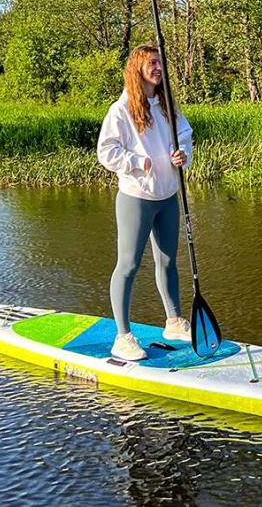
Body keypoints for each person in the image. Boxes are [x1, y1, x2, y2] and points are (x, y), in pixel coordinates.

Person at [96, 43, 193, 361]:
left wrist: (183, 155)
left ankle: (174, 322)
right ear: (137, 68)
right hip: (136, 198)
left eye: (161, 63)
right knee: (128, 265)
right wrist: (138, 162)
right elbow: (106, 151)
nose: (158, 68)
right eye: (152, 63)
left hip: (167, 196)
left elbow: (185, 135)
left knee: (167, 261)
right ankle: (122, 337)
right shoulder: (121, 109)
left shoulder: (166, 105)